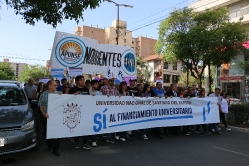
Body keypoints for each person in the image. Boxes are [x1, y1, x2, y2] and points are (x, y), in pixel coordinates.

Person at [38, 80, 62, 156]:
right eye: (55, 85)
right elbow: (40, 105)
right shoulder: (43, 94)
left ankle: (56, 149)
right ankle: (49, 145)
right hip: (46, 116)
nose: (56, 86)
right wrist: (44, 113)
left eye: (56, 85)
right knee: (47, 132)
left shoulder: (58, 94)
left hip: (56, 117)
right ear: (49, 86)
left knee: (56, 133)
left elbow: (65, 101)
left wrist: (64, 96)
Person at [68, 75, 92, 150]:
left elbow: (88, 100)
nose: (83, 81)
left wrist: (93, 97)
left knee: (85, 127)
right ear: (77, 81)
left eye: (83, 80)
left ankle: (85, 142)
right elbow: (67, 100)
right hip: (76, 112)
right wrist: (72, 96)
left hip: (85, 111)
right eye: (81, 80)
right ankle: (77, 142)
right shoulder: (72, 89)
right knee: (77, 127)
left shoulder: (86, 89)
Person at [100, 77, 118, 143]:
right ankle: (106, 136)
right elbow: (99, 97)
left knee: (111, 121)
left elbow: (116, 96)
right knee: (106, 121)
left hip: (113, 107)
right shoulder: (103, 87)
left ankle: (110, 136)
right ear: (107, 81)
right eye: (110, 81)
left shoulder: (115, 88)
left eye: (113, 81)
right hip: (105, 107)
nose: (112, 82)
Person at [89, 80, 103, 147]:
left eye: (97, 84)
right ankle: (93, 140)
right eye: (95, 84)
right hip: (90, 111)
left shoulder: (100, 93)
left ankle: (95, 138)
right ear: (92, 85)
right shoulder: (88, 92)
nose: (97, 85)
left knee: (97, 125)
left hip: (98, 111)